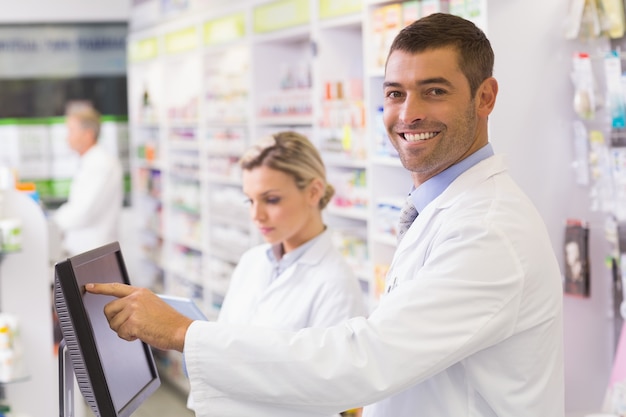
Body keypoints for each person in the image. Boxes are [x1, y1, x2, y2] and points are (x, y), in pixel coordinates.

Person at [87, 13, 565, 417]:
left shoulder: (487, 228)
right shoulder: (444, 210)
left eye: (434, 91)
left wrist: (179, 331)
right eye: (395, 93)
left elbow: (363, 361)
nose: (408, 113)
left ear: (485, 98)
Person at [187, 131, 367, 416]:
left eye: (271, 200)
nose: (256, 215)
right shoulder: (252, 262)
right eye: (250, 200)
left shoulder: (336, 283)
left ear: (313, 191)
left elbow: (332, 397)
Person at [52, 101, 124, 256]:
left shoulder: (101, 163)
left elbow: (83, 212)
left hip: (93, 251)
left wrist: (53, 221)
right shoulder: (89, 161)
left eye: (71, 130)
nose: (67, 137)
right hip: (83, 249)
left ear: (88, 134)